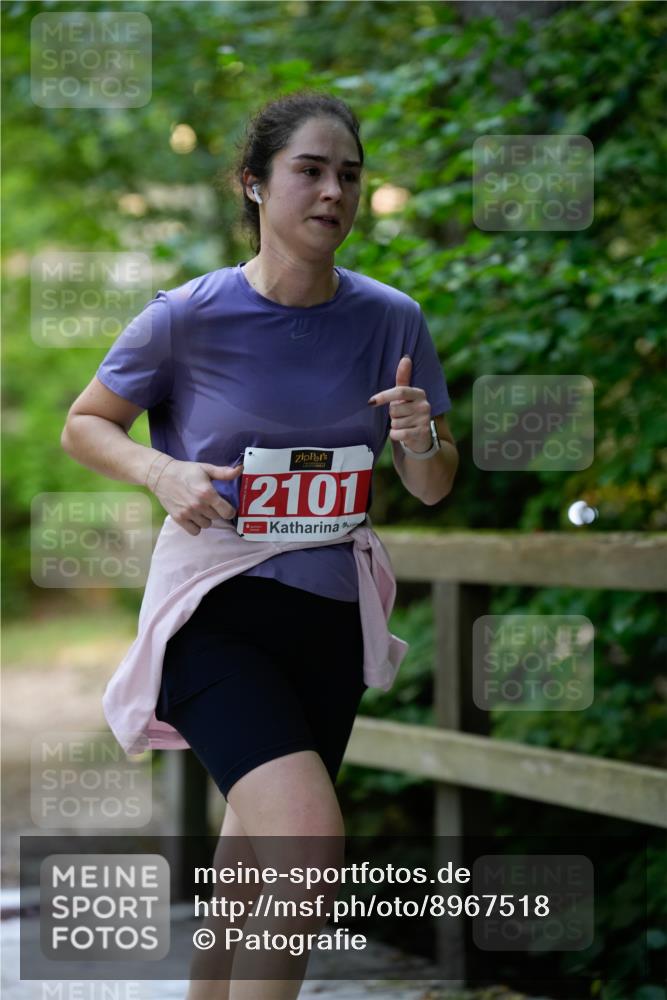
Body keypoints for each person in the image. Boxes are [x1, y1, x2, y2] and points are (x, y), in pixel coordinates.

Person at [61, 90, 458, 1000]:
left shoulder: (390, 318)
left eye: (349, 176)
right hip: (216, 611)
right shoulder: (187, 316)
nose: (333, 193)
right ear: (254, 183)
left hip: (328, 619)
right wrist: (162, 474)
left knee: (252, 861)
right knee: (307, 840)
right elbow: (85, 424)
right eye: (309, 171)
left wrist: (419, 439)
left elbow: (430, 484)